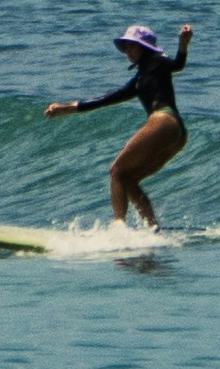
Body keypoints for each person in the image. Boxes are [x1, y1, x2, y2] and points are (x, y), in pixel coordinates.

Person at [48, 18, 193, 232]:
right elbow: (106, 99)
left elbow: (177, 64)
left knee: (116, 170)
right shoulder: (139, 79)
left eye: (132, 45)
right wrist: (67, 108)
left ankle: (118, 227)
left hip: (163, 120)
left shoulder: (157, 62)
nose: (127, 50)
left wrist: (183, 44)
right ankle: (153, 228)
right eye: (126, 46)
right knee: (128, 178)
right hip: (177, 132)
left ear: (144, 47)